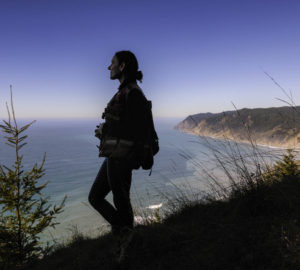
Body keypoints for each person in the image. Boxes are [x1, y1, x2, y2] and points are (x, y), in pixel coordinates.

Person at [88, 51, 149, 238]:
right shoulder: (125, 91)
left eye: (112, 63)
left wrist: (106, 132)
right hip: (114, 155)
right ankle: (121, 230)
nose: (109, 67)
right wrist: (105, 131)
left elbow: (138, 130)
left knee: (121, 201)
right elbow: (124, 124)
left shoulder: (133, 93)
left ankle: (126, 238)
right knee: (95, 197)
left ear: (122, 66)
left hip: (122, 157)